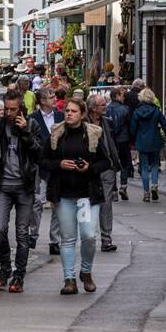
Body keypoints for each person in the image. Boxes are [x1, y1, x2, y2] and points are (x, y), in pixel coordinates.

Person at [39, 95, 111, 294]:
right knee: (68, 238)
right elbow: (43, 160)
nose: (69, 114)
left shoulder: (93, 134)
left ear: (82, 114)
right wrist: (58, 164)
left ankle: (85, 271)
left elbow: (106, 162)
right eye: (67, 111)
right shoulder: (57, 133)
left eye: (73, 111)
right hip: (64, 194)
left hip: (87, 195)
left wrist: (89, 168)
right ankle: (69, 279)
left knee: (88, 235)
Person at [0, 92, 42, 293]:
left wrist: (25, 131)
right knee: (0, 228)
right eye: (6, 109)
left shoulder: (32, 125)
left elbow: (39, 153)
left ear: (21, 109)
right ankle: (5, 268)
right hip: (3, 186)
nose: (8, 113)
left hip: (24, 186)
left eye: (12, 109)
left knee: (21, 233)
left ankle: (19, 275)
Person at [29, 88, 61, 255]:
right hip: (40, 166)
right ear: (42, 101)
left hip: (58, 166)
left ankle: (55, 240)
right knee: (37, 202)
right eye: (51, 96)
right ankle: (32, 234)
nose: (55, 98)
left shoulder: (61, 116)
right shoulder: (32, 119)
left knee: (58, 203)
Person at [130, 88, 166, 202]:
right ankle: (154, 185)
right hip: (155, 140)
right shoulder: (156, 110)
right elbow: (165, 126)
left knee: (143, 167)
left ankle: (146, 193)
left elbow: (133, 129)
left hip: (141, 141)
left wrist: (132, 141)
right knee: (154, 165)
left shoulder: (137, 112)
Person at [91, 92, 120, 252]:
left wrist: (114, 163)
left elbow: (111, 144)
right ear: (93, 108)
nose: (105, 107)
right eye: (102, 105)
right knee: (88, 203)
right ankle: (88, 237)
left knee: (106, 204)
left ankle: (106, 239)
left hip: (107, 168)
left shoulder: (107, 122)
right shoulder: (83, 123)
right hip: (88, 170)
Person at [105, 87, 133, 200]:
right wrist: (131, 139)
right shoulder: (125, 109)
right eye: (122, 95)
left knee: (112, 163)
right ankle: (123, 186)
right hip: (123, 140)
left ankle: (114, 190)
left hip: (111, 140)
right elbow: (130, 125)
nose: (124, 97)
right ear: (116, 96)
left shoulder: (106, 109)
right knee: (125, 163)